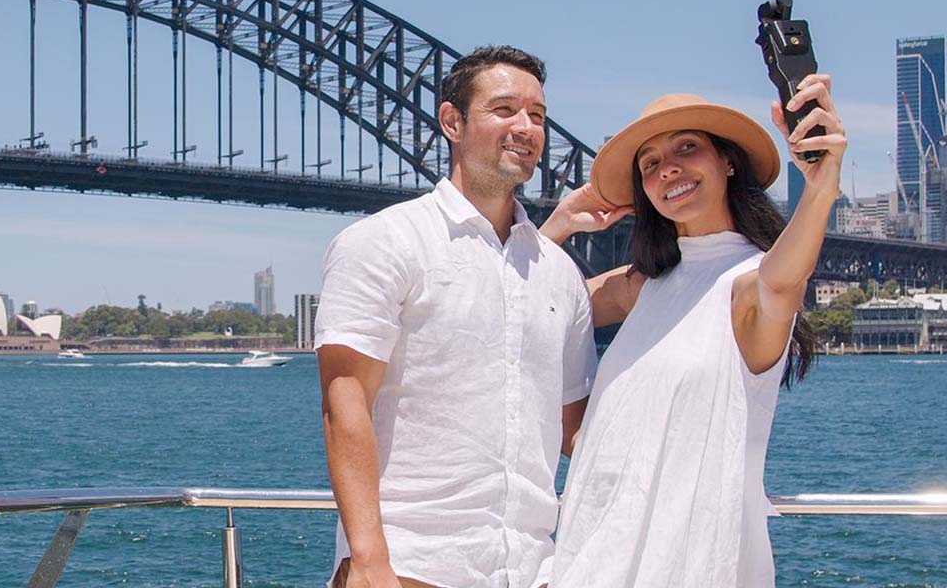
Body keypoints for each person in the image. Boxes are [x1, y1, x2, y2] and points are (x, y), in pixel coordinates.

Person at [538, 76, 845, 587]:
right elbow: (526, 308)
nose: (668, 168)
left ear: (728, 161)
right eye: (650, 163)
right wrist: (558, 227)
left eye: (686, 147)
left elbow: (783, 280)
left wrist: (820, 185)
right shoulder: (645, 286)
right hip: (592, 563)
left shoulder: (747, 286)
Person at [315, 46, 599, 588]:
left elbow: (576, 430)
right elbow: (344, 402)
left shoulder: (559, 273)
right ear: (452, 121)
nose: (526, 127)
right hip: (413, 567)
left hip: (534, 570)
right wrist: (370, 562)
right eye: (504, 109)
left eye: (537, 115)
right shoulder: (383, 242)